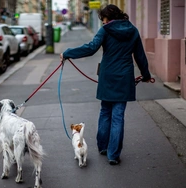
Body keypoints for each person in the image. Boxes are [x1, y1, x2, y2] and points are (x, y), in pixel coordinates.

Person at [60, 4, 152, 165]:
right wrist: (146, 75)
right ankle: (113, 155)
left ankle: (103, 146)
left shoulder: (106, 30)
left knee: (105, 111)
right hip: (125, 77)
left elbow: (91, 48)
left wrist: (68, 53)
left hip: (108, 76)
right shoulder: (133, 30)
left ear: (108, 18)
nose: (103, 22)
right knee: (118, 117)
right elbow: (140, 55)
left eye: (103, 19)